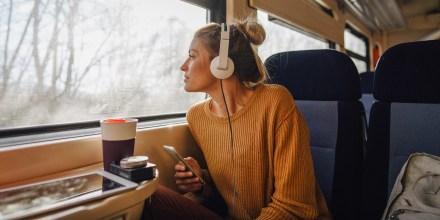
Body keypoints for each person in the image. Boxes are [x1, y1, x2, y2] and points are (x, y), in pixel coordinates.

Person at [142, 17, 331, 220]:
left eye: (192, 56)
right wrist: (202, 184)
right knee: (151, 197)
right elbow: (231, 193)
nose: (183, 66)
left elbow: (295, 206)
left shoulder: (276, 101)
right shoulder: (196, 116)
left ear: (221, 64)